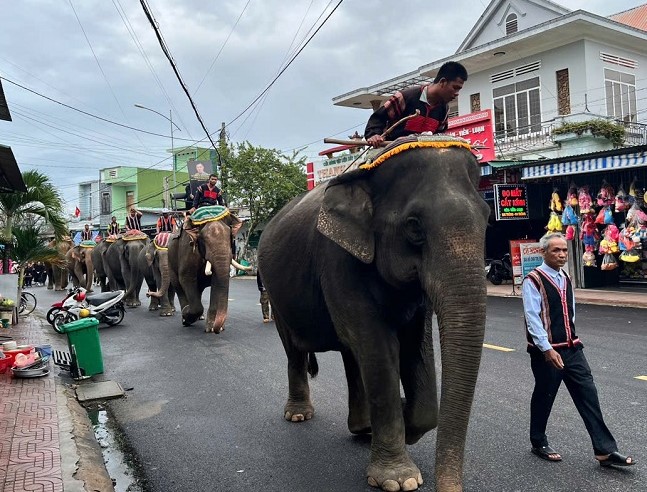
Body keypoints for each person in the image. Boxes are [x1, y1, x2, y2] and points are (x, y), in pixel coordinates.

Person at [522, 232, 636, 468]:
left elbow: (569, 312)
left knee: (588, 395)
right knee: (545, 395)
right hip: (547, 352)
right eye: (556, 250)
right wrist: (546, 348)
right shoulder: (533, 280)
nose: (562, 254)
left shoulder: (566, 277)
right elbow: (532, 318)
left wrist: (570, 336)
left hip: (572, 348)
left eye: (564, 250)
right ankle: (538, 441)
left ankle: (605, 450)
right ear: (543, 252)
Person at [364, 61, 468, 147]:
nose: (457, 94)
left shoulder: (444, 109)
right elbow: (378, 118)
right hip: (392, 151)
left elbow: (440, 134)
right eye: (455, 88)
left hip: (424, 154)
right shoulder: (405, 97)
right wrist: (374, 135)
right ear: (442, 82)